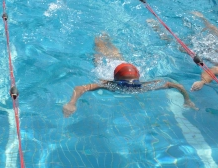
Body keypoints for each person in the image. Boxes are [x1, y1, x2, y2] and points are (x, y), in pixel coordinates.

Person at [61, 33, 197, 117]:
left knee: (112, 49)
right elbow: (80, 88)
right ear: (116, 81)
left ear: (138, 80)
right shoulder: (109, 83)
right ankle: (100, 35)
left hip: (122, 65)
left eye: (134, 84)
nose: (130, 87)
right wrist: (71, 103)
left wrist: (187, 100)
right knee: (99, 50)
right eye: (124, 84)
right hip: (109, 67)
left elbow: (175, 85)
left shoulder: (142, 86)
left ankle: (105, 36)